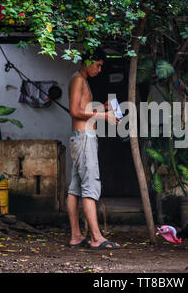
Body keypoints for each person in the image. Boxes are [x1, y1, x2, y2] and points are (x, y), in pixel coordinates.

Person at [67, 47, 121, 249]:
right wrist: (103, 116)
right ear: (88, 61)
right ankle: (97, 238)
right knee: (90, 186)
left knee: (75, 189)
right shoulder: (78, 80)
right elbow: (74, 111)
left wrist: (102, 108)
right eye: (98, 65)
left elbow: (82, 109)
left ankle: (76, 236)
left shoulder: (82, 80)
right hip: (84, 138)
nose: (99, 70)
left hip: (81, 138)